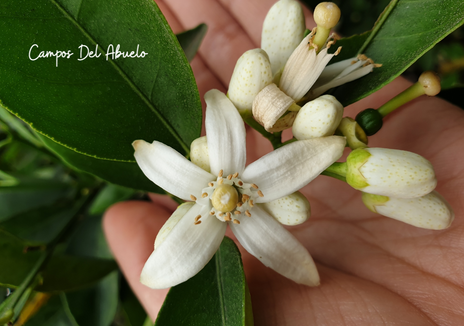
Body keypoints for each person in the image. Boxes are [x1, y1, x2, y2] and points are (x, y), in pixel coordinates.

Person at [103, 0, 464, 324]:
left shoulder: (244, 181)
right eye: (229, 197)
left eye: (225, 193)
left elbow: (296, 153)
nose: (226, 198)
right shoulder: (231, 197)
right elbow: (216, 120)